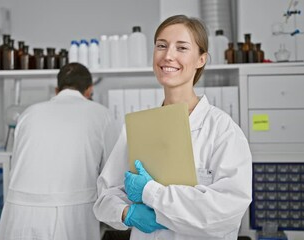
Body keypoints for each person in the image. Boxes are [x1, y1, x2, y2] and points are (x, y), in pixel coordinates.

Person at [93, 15, 252, 240]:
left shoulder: (222, 130)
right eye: (161, 45)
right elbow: (104, 197)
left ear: (201, 59)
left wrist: (151, 193)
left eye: (182, 47)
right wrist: (126, 212)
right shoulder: (137, 128)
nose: (168, 55)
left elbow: (225, 213)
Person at [0, 62, 119, 240]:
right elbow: (112, 174)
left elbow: (17, 165)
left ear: (57, 90)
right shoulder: (103, 115)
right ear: (89, 90)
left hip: (18, 214)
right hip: (70, 216)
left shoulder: (28, 114)